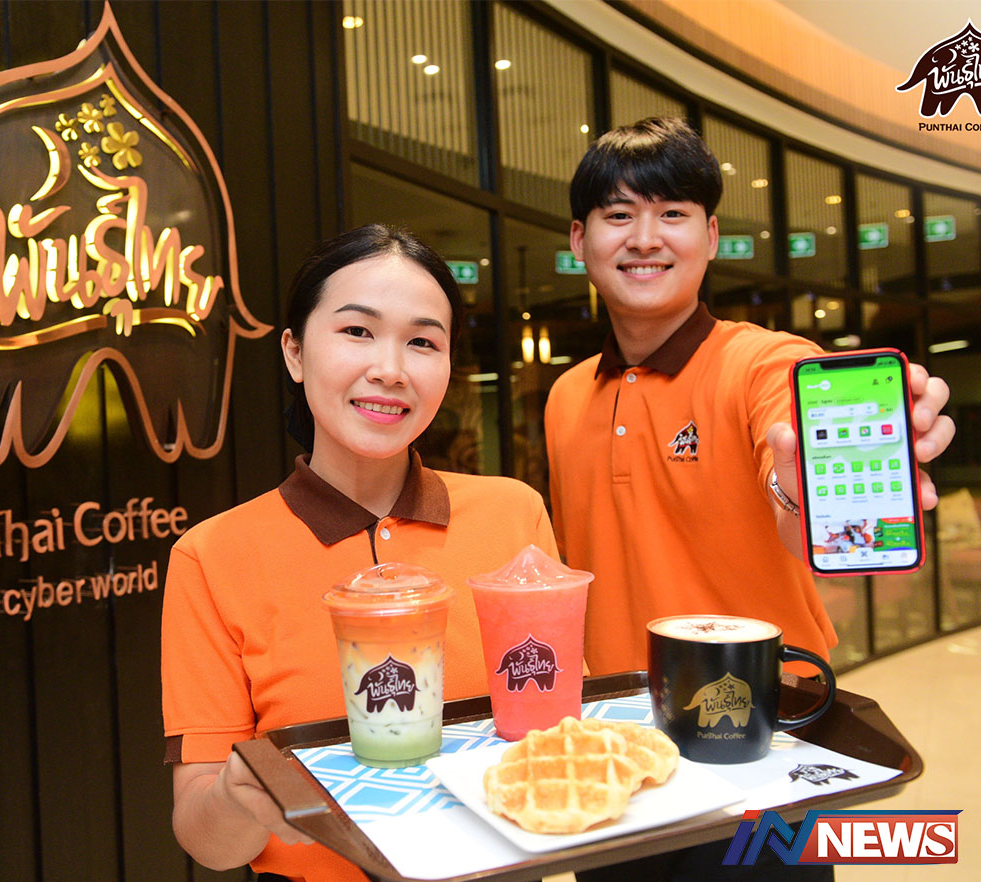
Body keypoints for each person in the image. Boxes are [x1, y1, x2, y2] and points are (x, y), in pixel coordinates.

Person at [546, 118, 955, 881]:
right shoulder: (566, 396)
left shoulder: (763, 362)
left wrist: (805, 490)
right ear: (579, 239)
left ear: (710, 236)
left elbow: (788, 464)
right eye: (618, 214)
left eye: (672, 213)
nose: (645, 238)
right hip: (614, 746)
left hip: (759, 738)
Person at [161, 224, 557, 882]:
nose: (390, 370)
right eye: (356, 331)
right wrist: (237, 798)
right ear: (294, 352)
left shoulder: (514, 515)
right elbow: (209, 841)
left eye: (423, 341)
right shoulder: (212, 557)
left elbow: (558, 725)